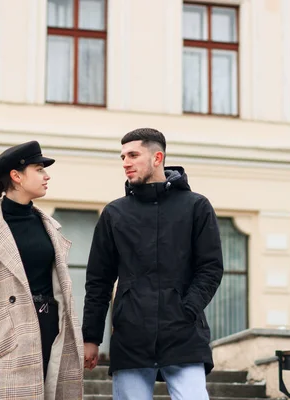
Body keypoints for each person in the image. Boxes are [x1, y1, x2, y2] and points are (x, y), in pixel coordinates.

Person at [82, 128, 224, 400]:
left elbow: (210, 267)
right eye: (122, 156)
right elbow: (98, 280)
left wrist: (187, 308)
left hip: (184, 334)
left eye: (133, 155)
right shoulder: (115, 214)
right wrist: (91, 337)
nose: (126, 162)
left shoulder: (196, 207)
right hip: (131, 336)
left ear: (157, 157)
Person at [0, 141, 84, 400]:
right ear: (16, 176)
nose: (46, 176)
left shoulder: (49, 226)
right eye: (39, 169)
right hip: (8, 334)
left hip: (52, 328)